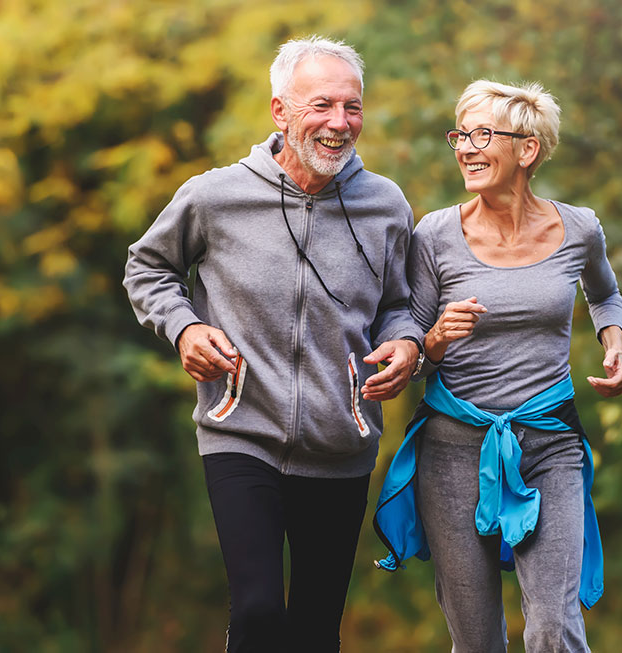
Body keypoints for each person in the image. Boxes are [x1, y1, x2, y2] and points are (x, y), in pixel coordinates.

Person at [123, 36, 423, 653]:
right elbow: (147, 268)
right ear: (280, 111)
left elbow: (401, 303)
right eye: (322, 105)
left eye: (352, 107)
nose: (340, 122)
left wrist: (406, 343)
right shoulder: (215, 196)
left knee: (315, 628)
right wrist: (184, 327)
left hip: (341, 442)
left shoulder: (385, 204)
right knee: (258, 610)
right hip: (240, 432)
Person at [373, 80, 622, 652]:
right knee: (477, 640)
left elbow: (605, 295)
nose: (465, 148)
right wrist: (436, 336)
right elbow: (413, 350)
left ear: (527, 149)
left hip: (550, 442)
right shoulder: (435, 234)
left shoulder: (579, 228)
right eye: (460, 136)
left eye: (483, 135)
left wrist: (613, 343)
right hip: (452, 451)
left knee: (553, 626)